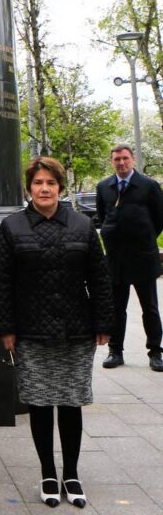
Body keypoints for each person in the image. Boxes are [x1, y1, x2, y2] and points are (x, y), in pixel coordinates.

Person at [0, 157, 113, 508]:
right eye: (37, 183)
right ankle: (48, 472)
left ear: (60, 187)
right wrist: (6, 329)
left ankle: (71, 474)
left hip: (76, 330)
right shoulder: (12, 227)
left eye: (50, 183)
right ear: (29, 188)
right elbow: (2, 284)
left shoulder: (82, 225)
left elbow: (99, 278)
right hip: (30, 332)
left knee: (71, 402)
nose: (44, 189)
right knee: (40, 403)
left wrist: (104, 323)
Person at [96, 144, 163, 372]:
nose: (121, 163)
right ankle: (115, 351)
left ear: (133, 159)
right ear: (112, 161)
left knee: (150, 308)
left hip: (143, 257)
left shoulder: (149, 186)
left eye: (125, 158)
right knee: (116, 308)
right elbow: (103, 216)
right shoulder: (104, 187)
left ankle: (156, 352)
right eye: (117, 159)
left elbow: (159, 219)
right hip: (116, 259)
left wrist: (143, 237)